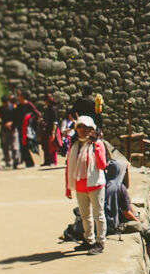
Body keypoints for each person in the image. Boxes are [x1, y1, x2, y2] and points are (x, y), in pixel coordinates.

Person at [65, 116, 107, 255]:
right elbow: (69, 166)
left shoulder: (98, 144)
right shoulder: (75, 145)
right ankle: (89, 240)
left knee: (98, 214)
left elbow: (102, 165)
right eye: (80, 127)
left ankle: (100, 242)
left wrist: (96, 147)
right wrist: (68, 186)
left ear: (92, 129)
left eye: (86, 128)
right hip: (80, 185)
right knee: (85, 215)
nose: (83, 131)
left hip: (95, 184)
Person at [40, 95, 61, 167]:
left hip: (52, 129)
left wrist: (53, 132)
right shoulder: (47, 109)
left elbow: (55, 121)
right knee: (46, 146)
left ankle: (53, 161)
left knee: (52, 146)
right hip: (47, 129)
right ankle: (47, 161)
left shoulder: (53, 109)